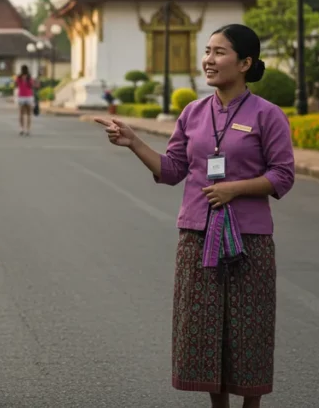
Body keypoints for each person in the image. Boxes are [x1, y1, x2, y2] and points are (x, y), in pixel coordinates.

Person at [97, 24, 295, 408]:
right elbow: (172, 170)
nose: (208, 60)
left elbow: (282, 175)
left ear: (245, 63)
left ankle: (250, 405)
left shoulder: (267, 115)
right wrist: (134, 142)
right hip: (197, 237)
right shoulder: (193, 113)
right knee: (204, 332)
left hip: (248, 241)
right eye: (207, 51)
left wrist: (234, 189)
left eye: (219, 52)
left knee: (247, 330)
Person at [14, 65, 37, 136]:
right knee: (29, 114)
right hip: (29, 96)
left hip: (21, 96)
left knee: (21, 113)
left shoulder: (18, 77)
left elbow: (15, 85)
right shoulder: (29, 77)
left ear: (21, 70)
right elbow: (32, 86)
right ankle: (28, 130)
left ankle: (21, 129)